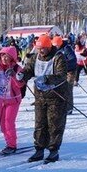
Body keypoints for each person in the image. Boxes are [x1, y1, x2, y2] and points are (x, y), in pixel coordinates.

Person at [18, 34, 68, 162]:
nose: (41, 51)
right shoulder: (35, 57)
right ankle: (39, 150)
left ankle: (53, 150)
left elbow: (62, 75)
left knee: (54, 124)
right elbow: (29, 69)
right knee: (39, 124)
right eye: (39, 48)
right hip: (40, 96)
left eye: (43, 48)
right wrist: (23, 75)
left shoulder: (58, 57)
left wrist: (47, 78)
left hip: (56, 97)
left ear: (49, 46)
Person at [0, 46, 24, 155]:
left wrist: (14, 76)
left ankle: (12, 145)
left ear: (12, 57)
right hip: (0, 100)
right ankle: (8, 142)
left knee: (8, 122)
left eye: (6, 57)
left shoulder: (17, 68)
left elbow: (21, 84)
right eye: (2, 56)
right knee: (2, 124)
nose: (4, 59)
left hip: (12, 100)